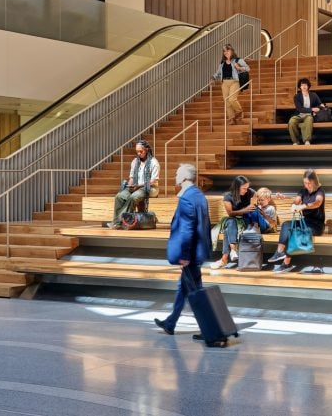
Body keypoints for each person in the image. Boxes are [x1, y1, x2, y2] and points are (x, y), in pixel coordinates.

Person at [154, 163, 213, 336]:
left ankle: (209, 328)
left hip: (191, 253)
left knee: (196, 291)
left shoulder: (187, 198)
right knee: (184, 287)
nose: (175, 177)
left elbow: (187, 229)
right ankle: (171, 323)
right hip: (199, 250)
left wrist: (184, 255)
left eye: (177, 174)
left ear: (185, 178)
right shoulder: (200, 195)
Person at [268, 169, 326, 274]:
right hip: (305, 222)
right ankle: (279, 252)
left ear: (314, 181)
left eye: (309, 183)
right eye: (305, 183)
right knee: (286, 224)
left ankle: (286, 264)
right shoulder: (302, 191)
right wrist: (294, 205)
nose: (307, 185)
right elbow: (296, 201)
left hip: (316, 225)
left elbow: (317, 202)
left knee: (295, 232)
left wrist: (304, 206)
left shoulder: (319, 191)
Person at [108, 139, 159, 228]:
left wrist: (138, 186)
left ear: (146, 150)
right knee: (119, 196)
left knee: (133, 197)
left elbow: (153, 181)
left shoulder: (154, 162)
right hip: (136, 186)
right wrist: (130, 186)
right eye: (137, 152)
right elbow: (131, 178)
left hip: (150, 187)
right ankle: (117, 221)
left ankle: (120, 221)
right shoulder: (135, 161)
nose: (139, 153)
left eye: (141, 151)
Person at [210, 174, 256, 270]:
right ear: (236, 187)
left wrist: (275, 195)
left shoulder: (250, 192)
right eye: (244, 188)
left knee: (228, 230)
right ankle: (232, 251)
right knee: (231, 221)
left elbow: (261, 195)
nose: (246, 190)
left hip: (244, 222)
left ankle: (226, 258)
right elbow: (230, 213)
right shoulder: (228, 196)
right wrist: (245, 210)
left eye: (247, 188)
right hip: (233, 219)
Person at [214, 43, 249, 124]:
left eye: (227, 50)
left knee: (232, 99)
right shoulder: (222, 62)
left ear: (231, 51)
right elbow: (218, 72)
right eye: (224, 51)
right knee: (227, 101)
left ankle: (239, 111)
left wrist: (239, 67)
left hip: (234, 81)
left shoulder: (238, 60)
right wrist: (213, 77)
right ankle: (231, 118)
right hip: (224, 83)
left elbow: (247, 68)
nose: (226, 52)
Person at [288, 77, 324, 146]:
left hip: (309, 115)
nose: (304, 86)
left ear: (308, 86)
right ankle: (295, 141)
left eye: (305, 85)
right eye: (302, 85)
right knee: (291, 122)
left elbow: (320, 104)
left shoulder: (313, 95)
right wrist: (312, 109)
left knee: (309, 119)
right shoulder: (297, 96)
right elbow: (300, 109)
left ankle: (307, 140)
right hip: (299, 115)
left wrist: (318, 108)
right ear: (300, 87)